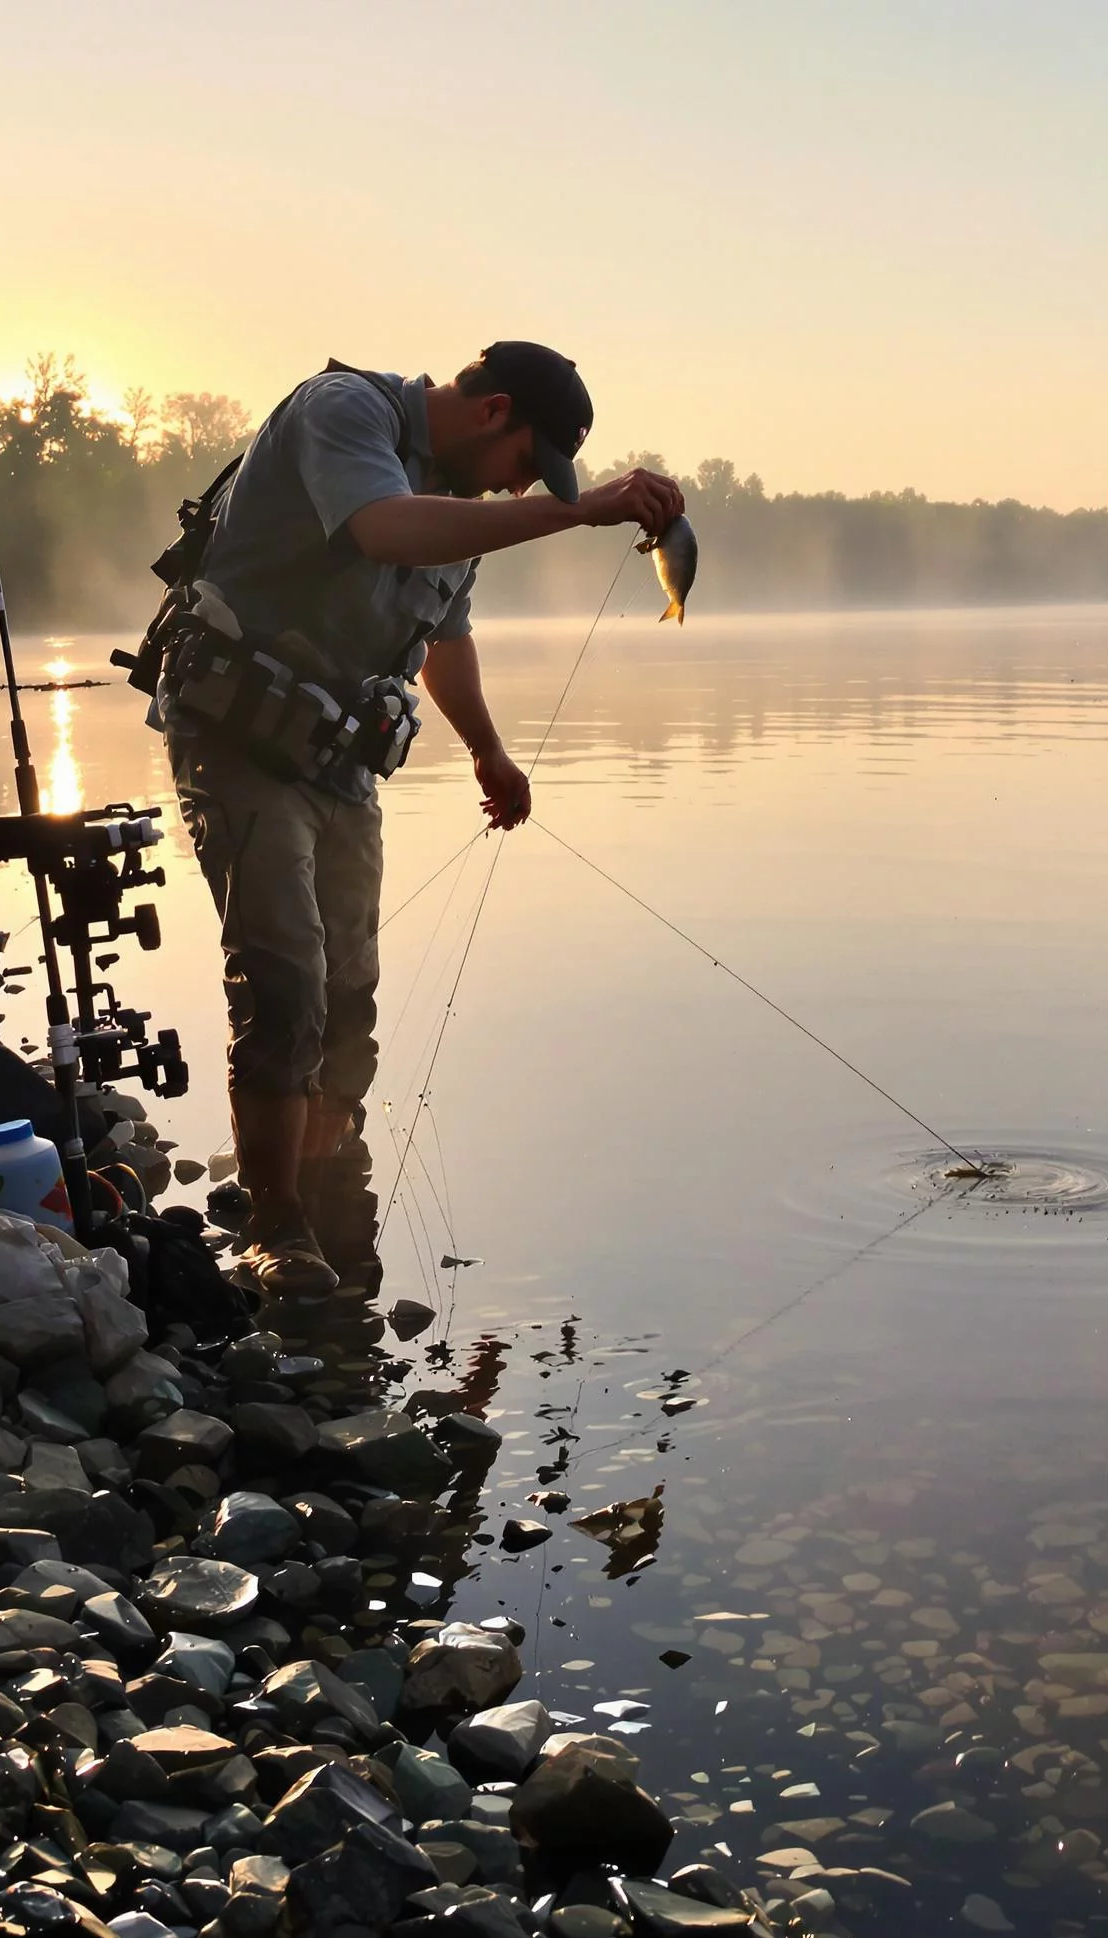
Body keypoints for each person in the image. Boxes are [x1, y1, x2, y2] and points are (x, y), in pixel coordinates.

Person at [161, 343, 685, 1296]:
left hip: (337, 761)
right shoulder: (343, 412)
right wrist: (578, 509)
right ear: (493, 414)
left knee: (350, 997)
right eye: (529, 462)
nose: (526, 485)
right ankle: (273, 1229)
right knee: (284, 981)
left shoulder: (466, 514)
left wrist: (488, 750)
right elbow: (383, 530)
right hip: (237, 736)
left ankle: (329, 1201)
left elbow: (443, 637)